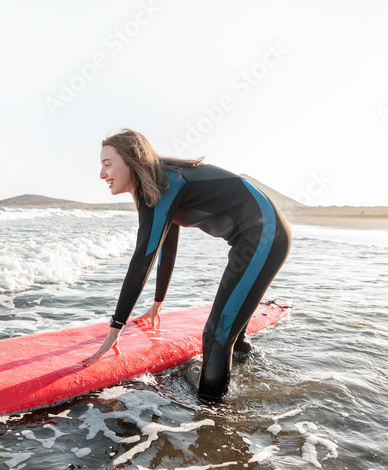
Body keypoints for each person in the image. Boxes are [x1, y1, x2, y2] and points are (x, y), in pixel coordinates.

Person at [81, 128, 291, 400]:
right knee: (231, 334)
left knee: (216, 338)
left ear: (131, 161)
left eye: (108, 165)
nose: (101, 174)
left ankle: (214, 421)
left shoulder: (166, 181)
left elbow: (141, 261)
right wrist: (157, 304)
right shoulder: (160, 184)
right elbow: (166, 245)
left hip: (265, 237)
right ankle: (253, 379)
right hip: (256, 239)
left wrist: (114, 329)